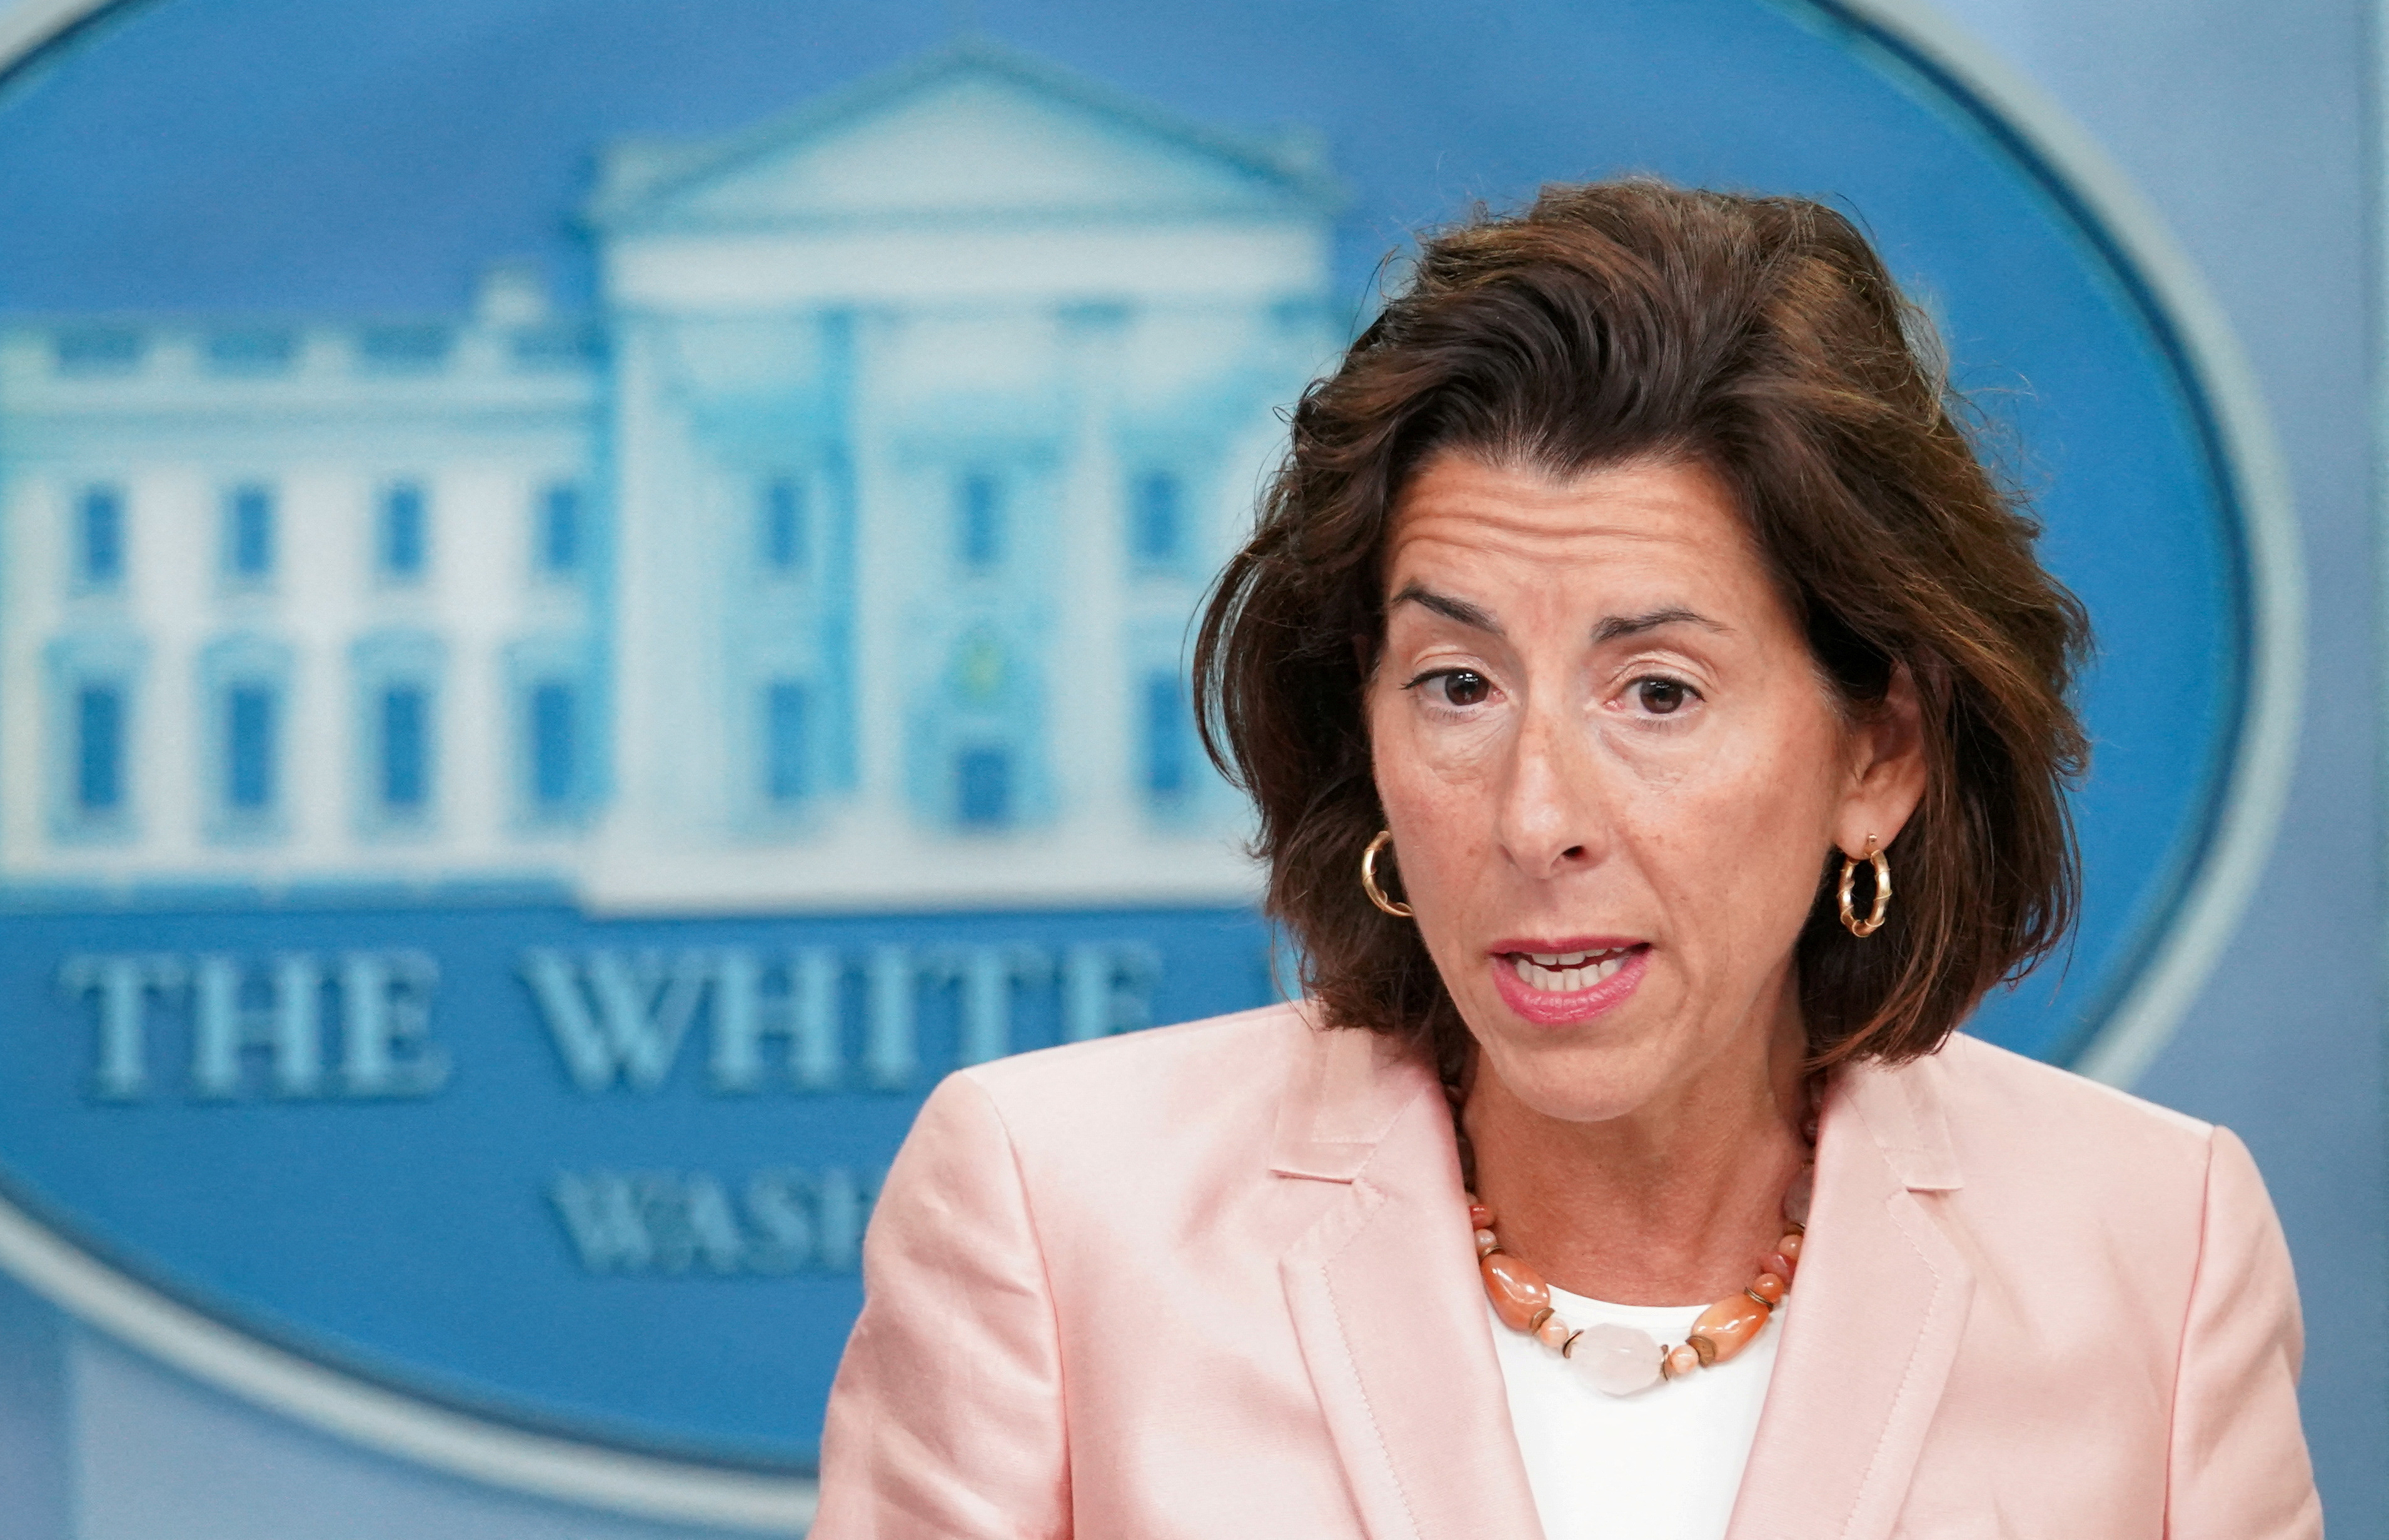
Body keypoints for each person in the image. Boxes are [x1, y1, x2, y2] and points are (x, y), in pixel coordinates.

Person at [809, 180, 2321, 1539]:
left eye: (1656, 692)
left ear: (1881, 754)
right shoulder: (1058, 1214)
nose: (1536, 816)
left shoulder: (2155, 1244)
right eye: (1457, 684)